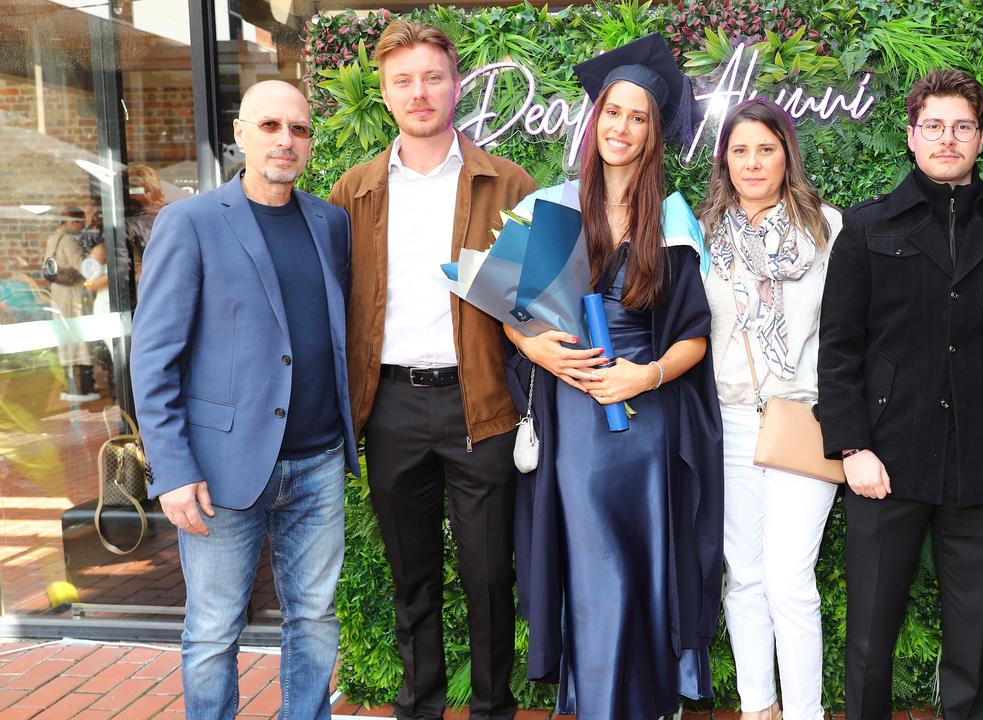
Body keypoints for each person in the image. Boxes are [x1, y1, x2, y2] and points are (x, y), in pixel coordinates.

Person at [817, 68, 983, 720]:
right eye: (934, 126)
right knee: (868, 634)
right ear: (911, 134)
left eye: (962, 126)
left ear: (980, 138)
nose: (948, 138)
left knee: (974, 638)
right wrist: (851, 445)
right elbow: (838, 348)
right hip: (885, 461)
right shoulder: (866, 228)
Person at [506, 33, 722, 720]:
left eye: (638, 117)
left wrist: (647, 376)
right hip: (576, 417)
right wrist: (537, 351)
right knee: (595, 567)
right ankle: (599, 701)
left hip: (645, 418)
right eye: (611, 112)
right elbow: (509, 313)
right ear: (593, 119)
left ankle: (653, 701)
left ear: (654, 133)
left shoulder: (674, 221)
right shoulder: (554, 205)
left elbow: (694, 336)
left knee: (647, 561)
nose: (621, 128)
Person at [326, 20, 536, 720]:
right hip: (388, 407)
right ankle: (420, 708)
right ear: (385, 94)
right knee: (411, 580)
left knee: (487, 576)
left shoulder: (507, 183)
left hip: (480, 404)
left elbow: (535, 303)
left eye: (433, 77)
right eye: (403, 81)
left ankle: (491, 709)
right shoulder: (351, 192)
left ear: (456, 85)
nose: (420, 92)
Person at [130, 80, 359, 720]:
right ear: (239, 132)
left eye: (300, 129)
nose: (286, 140)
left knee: (313, 617)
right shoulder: (189, 222)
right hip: (220, 469)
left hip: (317, 461)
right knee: (212, 631)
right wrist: (172, 470)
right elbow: (153, 357)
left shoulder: (329, 222)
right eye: (270, 126)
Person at [697, 98, 840, 720]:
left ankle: (804, 712)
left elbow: (847, 331)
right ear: (723, 159)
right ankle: (759, 706)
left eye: (766, 149)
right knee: (745, 574)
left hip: (802, 417)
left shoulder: (827, 229)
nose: (752, 162)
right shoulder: (700, 233)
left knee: (788, 576)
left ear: (788, 155)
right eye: (739, 149)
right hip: (727, 417)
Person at [44, 206, 97, 402]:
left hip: (59, 292)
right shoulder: (67, 240)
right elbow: (81, 264)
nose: (82, 228)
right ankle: (82, 388)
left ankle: (72, 385)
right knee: (79, 335)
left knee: (66, 336)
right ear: (72, 222)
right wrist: (97, 261)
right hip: (71, 293)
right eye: (81, 223)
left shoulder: (54, 238)